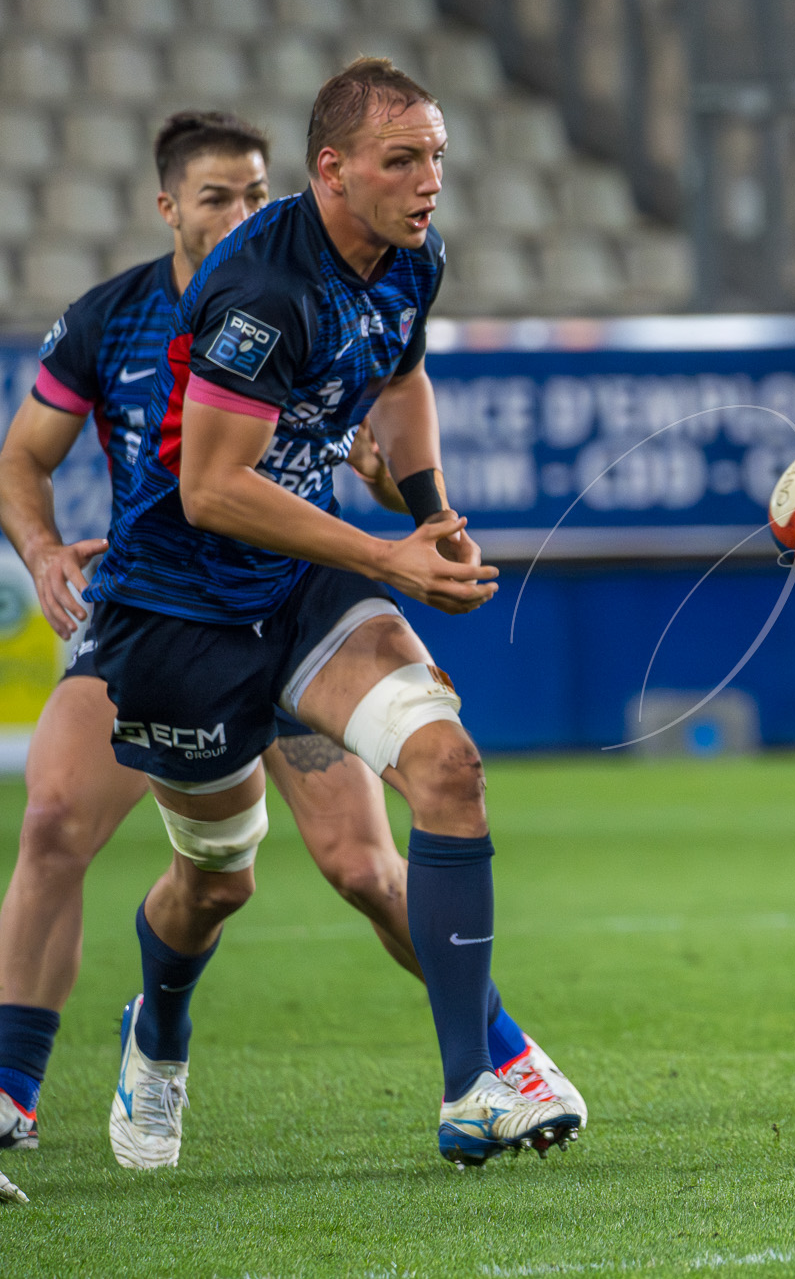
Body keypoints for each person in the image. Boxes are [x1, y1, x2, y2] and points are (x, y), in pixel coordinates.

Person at [0, 112, 582, 1170]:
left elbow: (396, 376)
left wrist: (424, 508)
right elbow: (203, 486)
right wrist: (42, 550)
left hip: (302, 590)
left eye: (252, 192)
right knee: (210, 876)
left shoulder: (395, 261)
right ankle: (150, 1033)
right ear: (169, 207)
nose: (240, 212)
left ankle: (483, 1076)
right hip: (174, 623)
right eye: (215, 196)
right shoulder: (182, 308)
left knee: (417, 798)